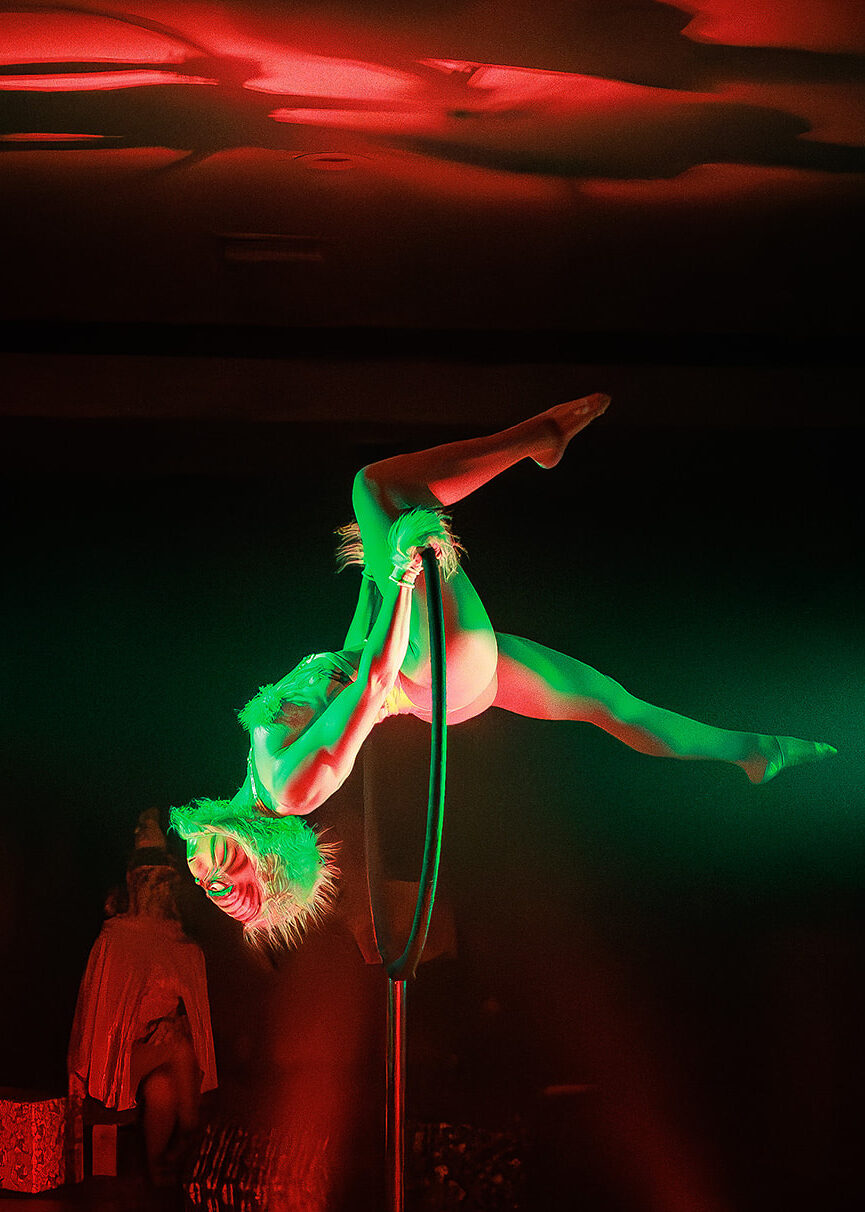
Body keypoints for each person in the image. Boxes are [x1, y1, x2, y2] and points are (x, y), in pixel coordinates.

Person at [171, 396, 836, 948]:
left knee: (609, 705)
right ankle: (535, 439)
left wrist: (375, 580)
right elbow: (372, 684)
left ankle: (754, 752)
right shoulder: (291, 789)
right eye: (219, 886)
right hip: (431, 672)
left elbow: (350, 664)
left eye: (203, 884)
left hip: (434, 681)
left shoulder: (260, 775)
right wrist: (400, 576)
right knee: (376, 487)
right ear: (259, 859)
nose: (200, 877)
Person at [68, 810, 217, 1186]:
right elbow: (100, 1023)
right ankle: (193, 1126)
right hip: (116, 1062)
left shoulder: (180, 943)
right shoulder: (117, 939)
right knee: (180, 1048)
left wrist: (174, 1024)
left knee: (162, 1089)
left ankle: (158, 1171)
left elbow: (191, 1008)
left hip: (156, 1057)